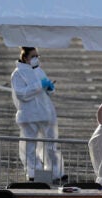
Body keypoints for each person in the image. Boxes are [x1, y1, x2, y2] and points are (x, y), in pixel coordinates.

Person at [11, 47, 64, 183]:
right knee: (30, 146)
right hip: (29, 115)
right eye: (34, 56)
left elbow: (45, 90)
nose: (36, 58)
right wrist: (39, 85)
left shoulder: (38, 71)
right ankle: (33, 172)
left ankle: (55, 171)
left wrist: (50, 88)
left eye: (37, 55)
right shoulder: (18, 74)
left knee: (51, 143)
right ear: (25, 57)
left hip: (45, 113)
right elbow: (21, 94)